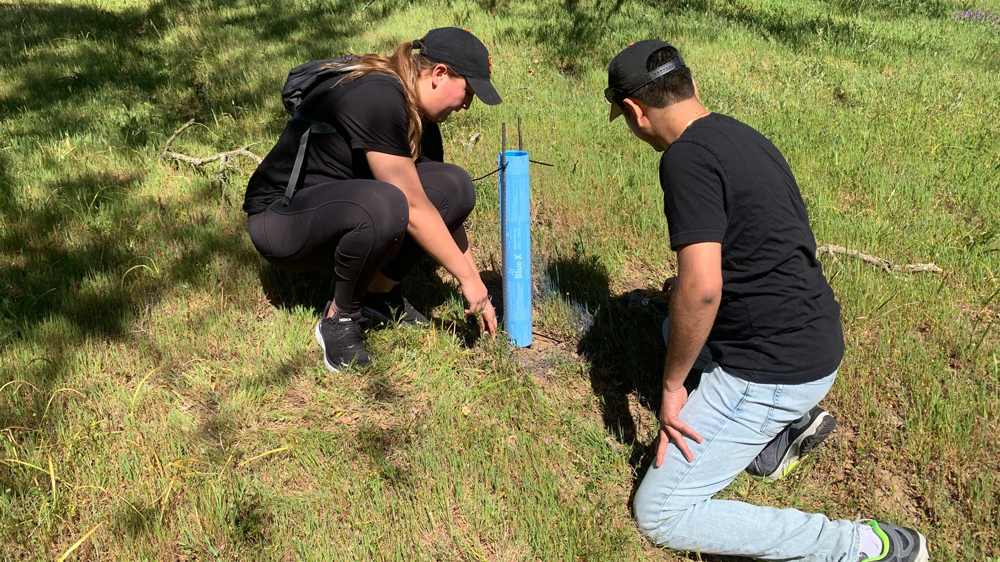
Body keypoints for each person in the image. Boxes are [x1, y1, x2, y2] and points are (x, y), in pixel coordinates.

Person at [605, 40, 929, 562]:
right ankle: (783, 433)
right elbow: (760, 247)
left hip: (773, 368)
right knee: (673, 328)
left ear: (634, 111)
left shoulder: (683, 159)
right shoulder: (738, 135)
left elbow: (704, 288)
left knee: (661, 513)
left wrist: (670, 388)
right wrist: (682, 293)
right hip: (817, 336)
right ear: (692, 87)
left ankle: (865, 545)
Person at [243, 27, 500, 372]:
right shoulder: (379, 96)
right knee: (390, 205)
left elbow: (437, 211)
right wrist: (468, 281)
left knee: (455, 185)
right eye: (467, 91)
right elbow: (410, 204)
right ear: (439, 74)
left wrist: (475, 282)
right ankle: (340, 317)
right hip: (281, 219)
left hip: (342, 206)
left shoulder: (420, 120)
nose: (467, 105)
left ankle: (378, 296)